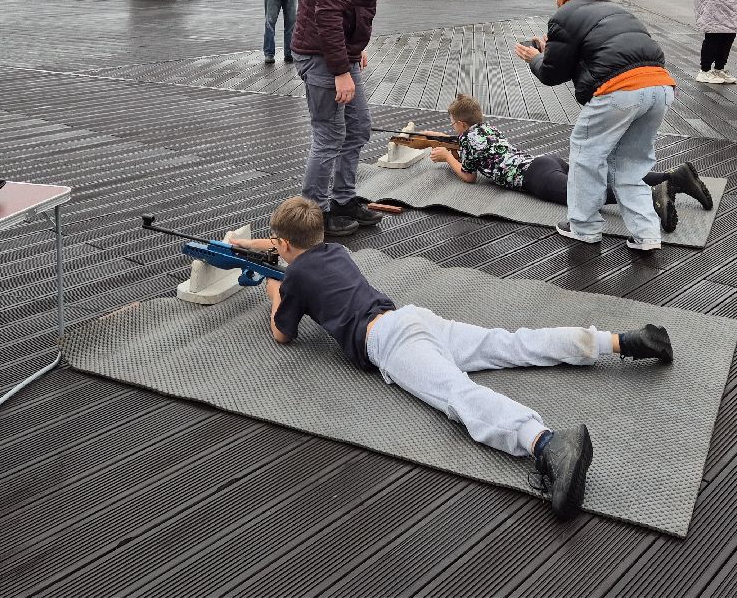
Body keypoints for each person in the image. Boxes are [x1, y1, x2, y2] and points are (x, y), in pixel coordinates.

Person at [231, 195, 674, 519]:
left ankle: (545, 443)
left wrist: (274, 289)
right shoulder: (335, 250)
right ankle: (621, 341)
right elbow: (294, 247)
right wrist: (248, 246)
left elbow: (283, 333)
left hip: (387, 342)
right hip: (413, 318)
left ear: (283, 244)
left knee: (456, 395)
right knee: (510, 343)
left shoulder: (293, 278)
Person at [514, 0, 676, 251]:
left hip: (621, 91)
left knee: (586, 156)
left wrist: (535, 58)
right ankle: (647, 235)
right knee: (630, 166)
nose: (555, 3)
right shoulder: (615, 8)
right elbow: (605, 53)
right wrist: (553, 49)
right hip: (660, 88)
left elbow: (552, 74)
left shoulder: (565, 14)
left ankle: (584, 227)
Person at [421, 92, 714, 233]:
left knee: (588, 195)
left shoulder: (467, 142)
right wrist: (444, 140)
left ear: (460, 124)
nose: (452, 127)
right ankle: (673, 176)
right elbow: (470, 142)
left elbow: (469, 176)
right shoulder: (485, 129)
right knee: (606, 178)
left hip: (533, 177)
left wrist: (447, 157)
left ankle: (653, 195)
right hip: (546, 161)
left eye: (452, 123)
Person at [291, 0, 399, 239]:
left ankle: (342, 200)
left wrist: (353, 47)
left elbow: (345, 9)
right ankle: (315, 213)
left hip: (336, 52)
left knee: (358, 128)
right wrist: (340, 69)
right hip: (321, 56)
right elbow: (327, 13)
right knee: (329, 134)